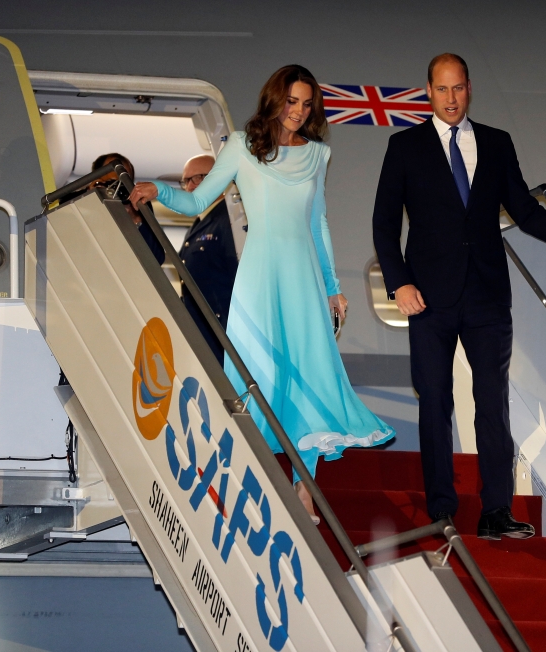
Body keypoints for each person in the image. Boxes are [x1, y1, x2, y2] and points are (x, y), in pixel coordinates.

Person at [130, 65, 394, 523]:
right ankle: (240, 476)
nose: (297, 111)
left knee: (306, 374)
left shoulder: (317, 155)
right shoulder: (241, 146)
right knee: (259, 373)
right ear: (274, 99)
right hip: (259, 277)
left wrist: (333, 288)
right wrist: (159, 190)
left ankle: (303, 487)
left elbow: (318, 225)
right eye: (291, 101)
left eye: (306, 104)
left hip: (305, 279)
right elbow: (196, 202)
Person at [372, 53, 546, 540]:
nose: (451, 99)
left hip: (485, 297)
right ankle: (442, 509)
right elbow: (383, 223)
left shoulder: (497, 143)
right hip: (430, 299)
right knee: (436, 401)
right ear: (428, 92)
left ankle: (495, 512)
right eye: (442, 90)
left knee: (492, 403)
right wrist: (399, 282)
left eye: (458, 88)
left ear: (469, 88)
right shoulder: (405, 146)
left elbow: (524, 211)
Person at [176, 154, 239, 364]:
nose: (190, 186)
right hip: (203, 331)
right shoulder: (200, 223)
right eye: (186, 180)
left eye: (198, 178)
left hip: (224, 331)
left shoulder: (229, 221)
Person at [90, 153, 165, 265]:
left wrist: (135, 219)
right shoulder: (81, 206)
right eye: (112, 183)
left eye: (123, 184)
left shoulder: (139, 205)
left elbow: (156, 258)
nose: (118, 189)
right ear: (98, 182)